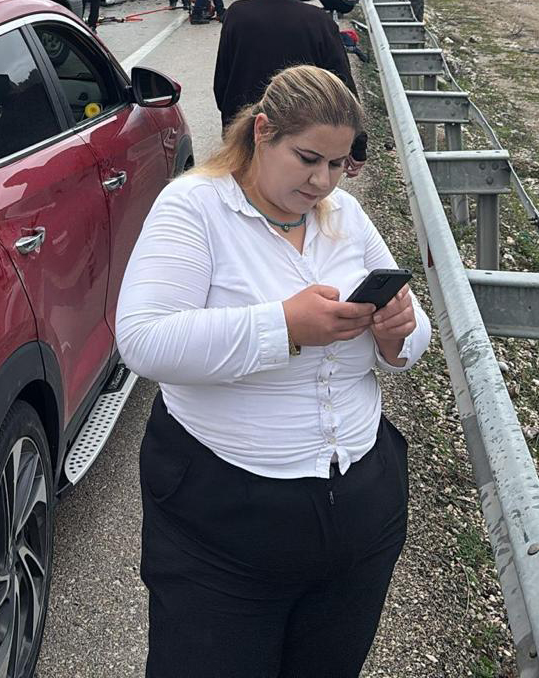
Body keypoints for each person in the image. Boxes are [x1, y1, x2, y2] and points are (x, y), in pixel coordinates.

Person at [116, 64, 431, 678]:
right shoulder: (194, 207)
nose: (323, 181)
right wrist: (282, 327)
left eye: (340, 164)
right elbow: (144, 341)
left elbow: (413, 333)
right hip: (224, 521)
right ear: (262, 131)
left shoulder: (343, 213)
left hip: (361, 506)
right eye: (308, 158)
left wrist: (399, 336)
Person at [213, 0, 366, 171]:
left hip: (245, 135)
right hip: (302, 143)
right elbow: (343, 87)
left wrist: (231, 126)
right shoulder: (319, 21)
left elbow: (221, 83)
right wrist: (357, 146)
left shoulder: (237, 15)